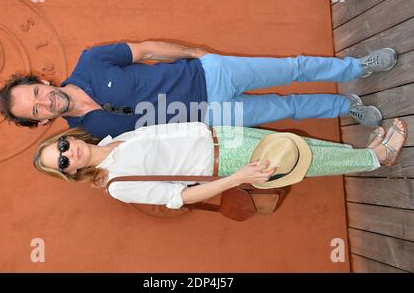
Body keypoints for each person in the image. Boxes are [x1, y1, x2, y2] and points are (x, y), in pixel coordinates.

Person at [0, 40, 397, 138]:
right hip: (210, 119)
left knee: (291, 68)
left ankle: (357, 66)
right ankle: (346, 104)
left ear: (41, 82)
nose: (43, 102)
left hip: (211, 76)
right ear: (42, 121)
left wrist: (200, 54)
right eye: (35, 110)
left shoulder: (91, 61)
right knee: (286, 108)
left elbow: (149, 47)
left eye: (34, 93)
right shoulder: (88, 133)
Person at [33, 118, 407, 209]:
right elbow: (180, 198)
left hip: (221, 134)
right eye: (62, 162)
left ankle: (364, 154)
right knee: (304, 161)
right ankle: (379, 157)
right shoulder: (116, 185)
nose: (68, 154)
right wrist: (238, 177)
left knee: (298, 146)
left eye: (62, 146)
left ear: (69, 138)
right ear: (69, 173)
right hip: (224, 158)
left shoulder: (115, 140)